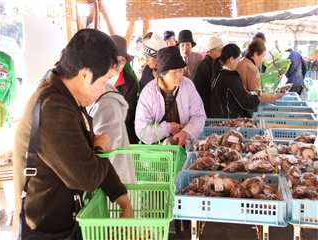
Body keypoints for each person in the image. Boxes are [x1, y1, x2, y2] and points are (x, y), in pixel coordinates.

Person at [13, 29, 132, 239]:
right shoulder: (53, 108)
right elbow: (86, 177)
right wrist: (99, 148)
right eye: (103, 81)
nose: (103, 89)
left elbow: (87, 158)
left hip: (65, 223)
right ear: (85, 74)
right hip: (45, 229)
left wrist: (122, 199)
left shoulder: (67, 98)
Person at [135, 46, 206, 145]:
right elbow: (141, 130)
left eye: (181, 70)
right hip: (158, 152)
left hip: (185, 146)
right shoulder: (148, 93)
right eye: (174, 72)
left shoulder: (187, 85)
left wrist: (186, 132)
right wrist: (167, 128)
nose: (180, 75)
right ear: (162, 74)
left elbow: (199, 115)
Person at [210, 44, 285, 118]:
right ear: (231, 59)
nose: (239, 62)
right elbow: (245, 101)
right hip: (228, 119)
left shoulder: (218, 73)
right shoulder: (231, 77)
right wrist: (258, 97)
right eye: (238, 59)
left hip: (218, 116)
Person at [109, 35, 139, 144]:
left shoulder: (130, 83)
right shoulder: (96, 78)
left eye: (122, 60)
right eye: (114, 59)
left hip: (122, 136)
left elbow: (128, 115)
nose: (118, 64)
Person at [193, 36, 224, 117]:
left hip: (207, 105)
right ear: (212, 50)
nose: (221, 53)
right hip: (206, 106)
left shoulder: (209, 63)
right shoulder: (206, 65)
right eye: (220, 50)